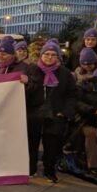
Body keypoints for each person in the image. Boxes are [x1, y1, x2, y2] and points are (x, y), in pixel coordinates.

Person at [25, 42, 77, 182]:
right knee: (32, 143)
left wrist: (66, 111)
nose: (49, 57)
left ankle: (49, 170)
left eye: (53, 55)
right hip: (34, 112)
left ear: (58, 57)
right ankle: (31, 168)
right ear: (41, 55)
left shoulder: (65, 74)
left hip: (55, 113)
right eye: (46, 54)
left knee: (51, 145)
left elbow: (72, 94)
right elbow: (25, 91)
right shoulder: (32, 70)